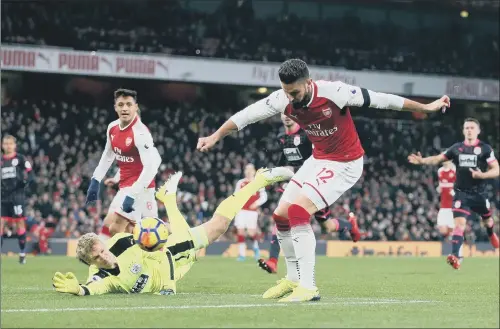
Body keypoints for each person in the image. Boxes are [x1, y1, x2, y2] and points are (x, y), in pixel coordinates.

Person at [197, 58, 450, 302]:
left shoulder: (335, 93)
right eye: (286, 92)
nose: (290, 98)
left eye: (294, 92)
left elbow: (382, 100)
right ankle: (293, 279)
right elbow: (247, 115)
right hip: (319, 159)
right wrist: (216, 136)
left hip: (346, 163)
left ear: (308, 83)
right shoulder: (282, 99)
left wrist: (426, 107)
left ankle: (308, 286)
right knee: (280, 215)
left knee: (298, 211)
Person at [52, 167, 293, 296]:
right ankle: (168, 199)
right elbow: (94, 287)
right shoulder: (101, 276)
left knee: (218, 226)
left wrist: (168, 286)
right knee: (202, 241)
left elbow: (160, 248)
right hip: (174, 268)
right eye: (96, 258)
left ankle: (259, 180)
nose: (103, 256)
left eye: (102, 250)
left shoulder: (121, 243)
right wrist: (80, 291)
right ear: (90, 263)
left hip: (170, 256)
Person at [258, 114, 360, 274]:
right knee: (282, 216)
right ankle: (273, 261)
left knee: (326, 226)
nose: (286, 117)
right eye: (283, 114)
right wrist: (276, 177)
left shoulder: (307, 135)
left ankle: (349, 225)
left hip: (315, 183)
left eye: (288, 113)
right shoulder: (281, 136)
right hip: (296, 183)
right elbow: (283, 158)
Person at [408, 118, 499, 270]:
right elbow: (438, 159)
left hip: (479, 194)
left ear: (478, 131)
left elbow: (496, 169)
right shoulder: (457, 148)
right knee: (459, 225)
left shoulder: (485, 149)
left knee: (488, 221)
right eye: (466, 128)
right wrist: (422, 161)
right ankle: (456, 256)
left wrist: (482, 176)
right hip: (461, 193)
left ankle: (491, 233)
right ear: (463, 131)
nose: (469, 130)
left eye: (472, 127)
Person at [85, 89, 162, 236]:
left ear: (136, 107)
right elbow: (108, 155)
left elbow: (151, 168)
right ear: (115, 107)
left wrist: (132, 194)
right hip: (125, 186)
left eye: (128, 104)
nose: (124, 108)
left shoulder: (141, 133)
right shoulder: (112, 128)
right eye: (120, 104)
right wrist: (96, 179)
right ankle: (147, 241)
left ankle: (131, 254)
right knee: (110, 224)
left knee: (116, 229)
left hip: (140, 188)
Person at [1, 135, 35, 264]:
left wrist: (25, 183)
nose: (8, 146)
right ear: (2, 145)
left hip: (17, 197)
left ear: (15, 145)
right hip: (3, 197)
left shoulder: (20, 158)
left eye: (10, 143)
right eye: (5, 143)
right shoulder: (1, 160)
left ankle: (22, 253)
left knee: (20, 224)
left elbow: (31, 174)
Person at [234, 163, 268, 261]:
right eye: (247, 169)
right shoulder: (240, 183)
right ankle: (241, 254)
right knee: (240, 231)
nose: (248, 171)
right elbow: (235, 195)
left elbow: (264, 196)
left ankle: (256, 247)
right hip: (241, 210)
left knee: (251, 233)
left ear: (254, 171)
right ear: (245, 171)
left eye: (250, 169)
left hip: (252, 212)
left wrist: (256, 204)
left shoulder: (258, 182)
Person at [436, 160, 456, 237]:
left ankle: (455, 242)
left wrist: (454, 192)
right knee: (442, 230)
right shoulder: (440, 171)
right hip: (443, 206)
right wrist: (439, 188)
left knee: (453, 229)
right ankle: (446, 241)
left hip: (452, 206)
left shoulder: (454, 169)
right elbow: (440, 184)